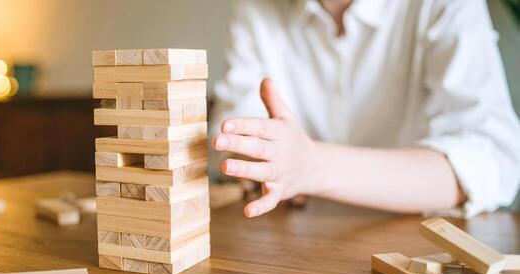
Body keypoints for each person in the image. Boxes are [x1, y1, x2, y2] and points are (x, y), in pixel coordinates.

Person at [210, 0, 520, 218]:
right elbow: (231, 131)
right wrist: (259, 156)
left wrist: (310, 165)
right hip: (297, 236)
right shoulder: (255, 8)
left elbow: (493, 159)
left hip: (419, 237)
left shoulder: (443, 5)